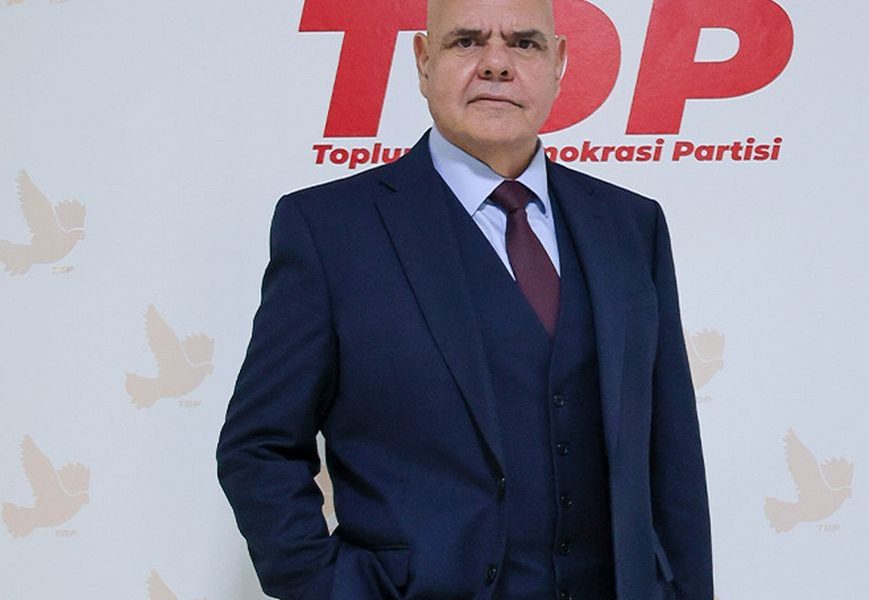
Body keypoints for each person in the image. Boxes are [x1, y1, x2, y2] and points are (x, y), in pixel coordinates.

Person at [215, 0, 712, 598]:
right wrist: (331, 586)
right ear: (424, 61)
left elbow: (672, 454)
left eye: (524, 43)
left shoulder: (631, 225)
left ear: (558, 64)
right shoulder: (329, 229)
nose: (496, 64)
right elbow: (260, 446)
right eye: (467, 41)